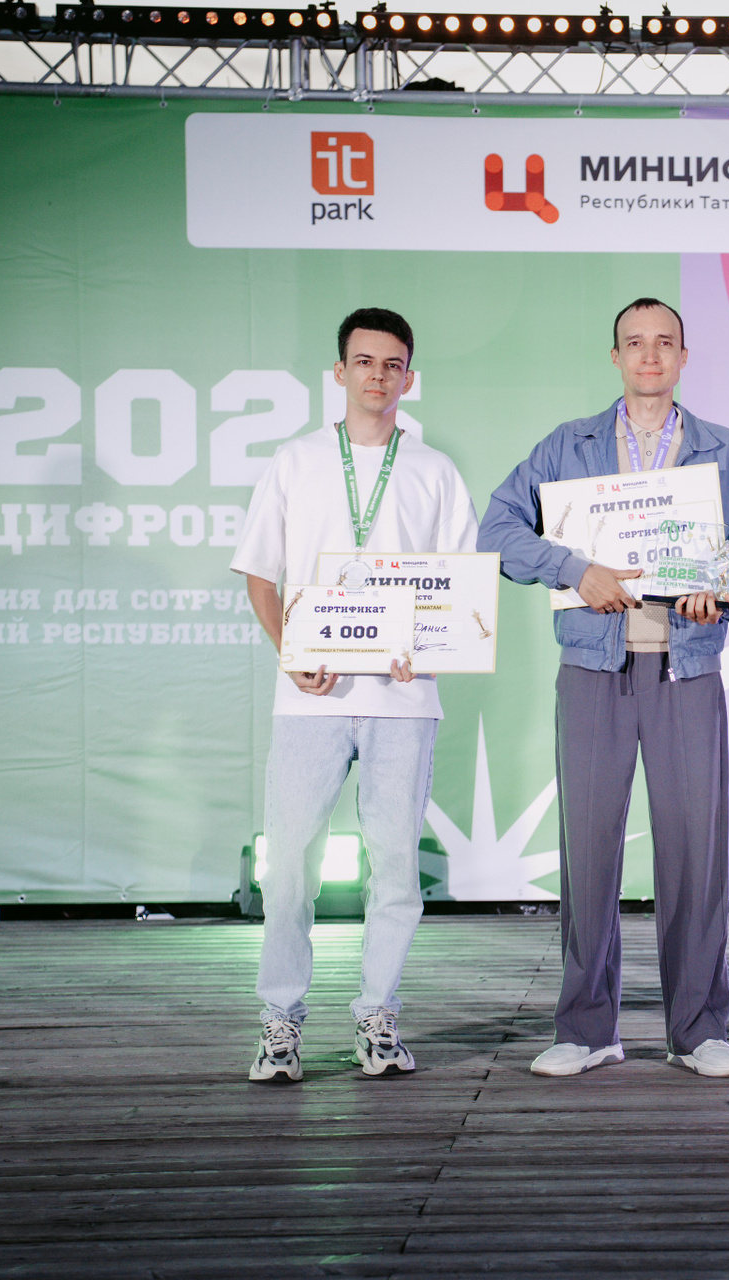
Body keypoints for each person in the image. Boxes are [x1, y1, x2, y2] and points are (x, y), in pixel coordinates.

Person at [478, 298, 729, 1079]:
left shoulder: (723, 449)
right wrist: (574, 569)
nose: (649, 355)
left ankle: (697, 1030)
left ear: (683, 356)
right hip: (593, 668)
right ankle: (586, 1028)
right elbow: (497, 531)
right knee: (589, 847)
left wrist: (722, 594)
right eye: (634, 343)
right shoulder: (567, 445)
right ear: (615, 357)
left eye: (664, 342)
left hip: (687, 668)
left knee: (695, 851)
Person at [231, 307, 479, 1083]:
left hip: (404, 699)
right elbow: (260, 573)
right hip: (311, 696)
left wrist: (427, 649)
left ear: (410, 376)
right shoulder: (297, 461)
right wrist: (291, 652)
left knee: (397, 865)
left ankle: (378, 1015)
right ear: (339, 372)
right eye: (364, 362)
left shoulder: (435, 471)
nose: (378, 375)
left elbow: (460, 590)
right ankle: (280, 1021)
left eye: (392, 363)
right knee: (288, 866)